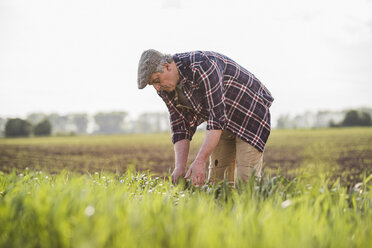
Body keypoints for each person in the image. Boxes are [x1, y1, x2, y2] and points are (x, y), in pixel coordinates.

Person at [137, 49, 274, 186]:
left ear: (167, 66)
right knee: (218, 183)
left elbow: (216, 117)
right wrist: (180, 166)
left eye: (156, 80)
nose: (157, 88)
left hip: (249, 115)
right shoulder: (165, 88)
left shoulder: (202, 65)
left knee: (247, 181)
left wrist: (200, 160)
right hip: (224, 123)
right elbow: (180, 126)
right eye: (152, 84)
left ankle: (256, 205)